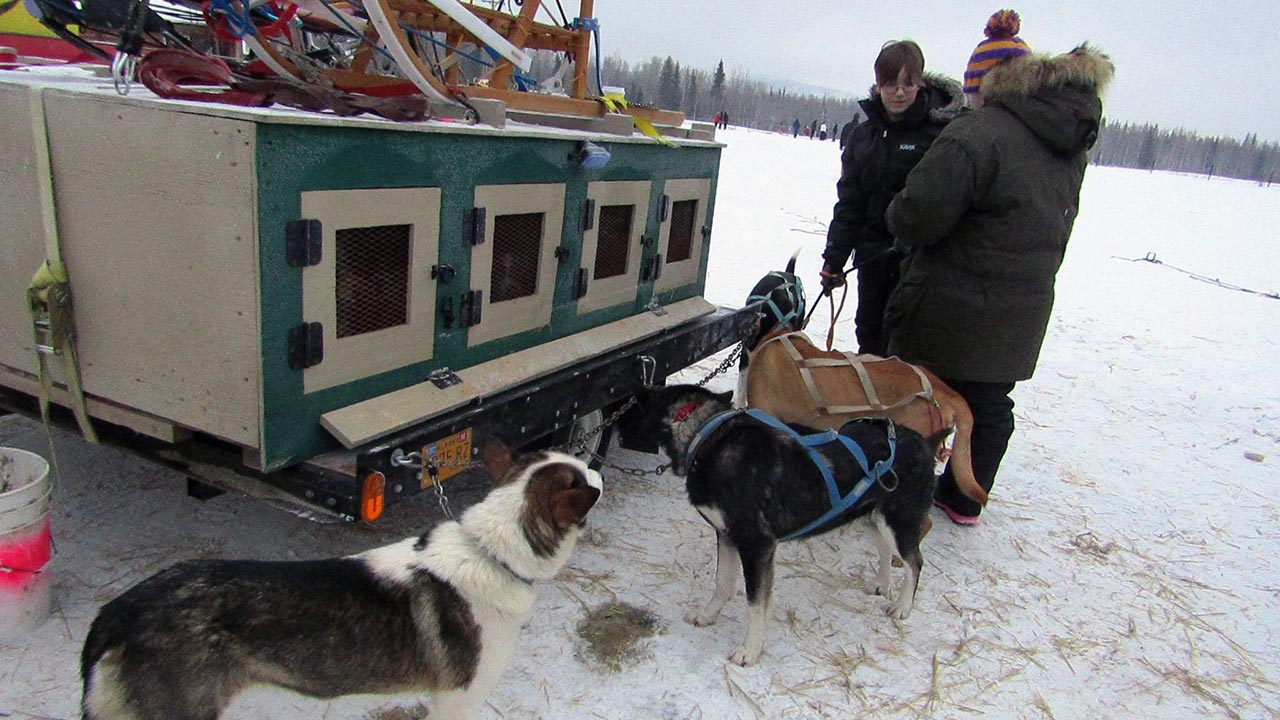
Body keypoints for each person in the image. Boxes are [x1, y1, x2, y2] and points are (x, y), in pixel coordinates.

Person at [882, 9, 1114, 525]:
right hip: (1023, 303)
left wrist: (896, 214)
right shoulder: (1064, 142)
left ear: (982, 84)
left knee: (918, 393)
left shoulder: (977, 135)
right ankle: (964, 498)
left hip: (951, 301)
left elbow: (918, 215)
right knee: (988, 403)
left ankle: (899, 491)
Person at [820, 39, 963, 356]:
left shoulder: (941, 134)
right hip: (872, 257)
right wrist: (834, 259)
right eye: (890, 84)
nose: (899, 92)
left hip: (919, 263)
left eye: (907, 84)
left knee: (904, 340)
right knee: (869, 333)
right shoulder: (864, 137)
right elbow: (850, 204)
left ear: (920, 83)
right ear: (878, 84)